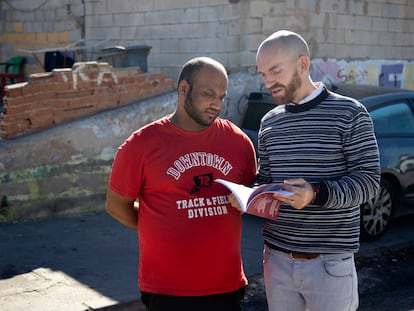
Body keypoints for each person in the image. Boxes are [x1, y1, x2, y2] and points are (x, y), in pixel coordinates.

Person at [231, 30, 380, 310]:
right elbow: (266, 181)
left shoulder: (350, 113)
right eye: (263, 74)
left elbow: (369, 182)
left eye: (275, 71)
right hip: (276, 261)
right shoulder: (269, 122)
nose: (268, 82)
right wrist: (247, 196)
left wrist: (316, 194)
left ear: (302, 64)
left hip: (329, 264)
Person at [105, 56, 257, 311]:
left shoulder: (239, 143)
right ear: (183, 89)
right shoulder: (141, 144)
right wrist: (157, 228)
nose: (216, 104)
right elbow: (116, 205)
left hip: (226, 286)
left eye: (221, 96)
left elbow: (250, 196)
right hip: (167, 289)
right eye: (209, 94)